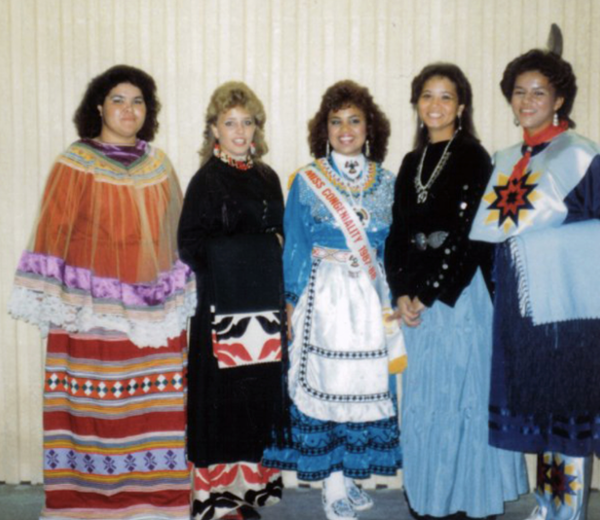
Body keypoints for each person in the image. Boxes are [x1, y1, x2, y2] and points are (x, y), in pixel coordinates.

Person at [8, 65, 196, 519]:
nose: (128, 109)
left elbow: (178, 237)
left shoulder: (159, 164)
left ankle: (156, 501)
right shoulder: (75, 162)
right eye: (118, 99)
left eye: (138, 101)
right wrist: (61, 303)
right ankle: (87, 501)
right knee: (93, 405)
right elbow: (53, 234)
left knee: (155, 404)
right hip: (90, 310)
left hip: (151, 313)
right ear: (98, 106)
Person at [384, 63, 528, 519]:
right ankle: (428, 498)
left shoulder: (474, 156)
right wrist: (402, 291)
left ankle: (465, 500)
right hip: (417, 304)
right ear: (417, 103)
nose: (436, 105)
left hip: (459, 297)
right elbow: (397, 234)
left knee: (461, 400)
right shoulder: (411, 162)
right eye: (428, 95)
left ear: (461, 106)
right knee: (425, 402)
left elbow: (473, 236)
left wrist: (429, 292)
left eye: (446, 97)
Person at [470, 37, 600, 520]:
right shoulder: (508, 158)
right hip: (521, 303)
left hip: (569, 308)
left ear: (559, 99)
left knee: (568, 409)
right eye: (519, 92)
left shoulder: (583, 157)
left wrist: (552, 244)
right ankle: (547, 504)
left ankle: (567, 511)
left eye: (539, 92)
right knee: (542, 405)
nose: (527, 102)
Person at [262, 80, 405, 520]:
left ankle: (351, 476)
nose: (345, 129)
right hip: (322, 295)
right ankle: (332, 484)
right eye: (336, 120)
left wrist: (395, 296)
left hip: (368, 298)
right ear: (324, 128)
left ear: (369, 127)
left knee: (363, 387)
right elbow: (296, 247)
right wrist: (288, 300)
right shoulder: (307, 180)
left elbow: (391, 247)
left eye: (354, 120)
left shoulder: (387, 181)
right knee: (325, 386)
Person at [178, 82, 286, 520]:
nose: (240, 132)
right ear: (214, 129)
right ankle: (219, 502)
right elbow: (190, 246)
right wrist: (252, 249)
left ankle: (250, 494)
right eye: (230, 123)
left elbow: (282, 239)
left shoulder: (268, 177)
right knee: (220, 407)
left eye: (247, 122)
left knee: (254, 404)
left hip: (262, 311)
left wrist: (262, 247)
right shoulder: (205, 180)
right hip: (220, 312)